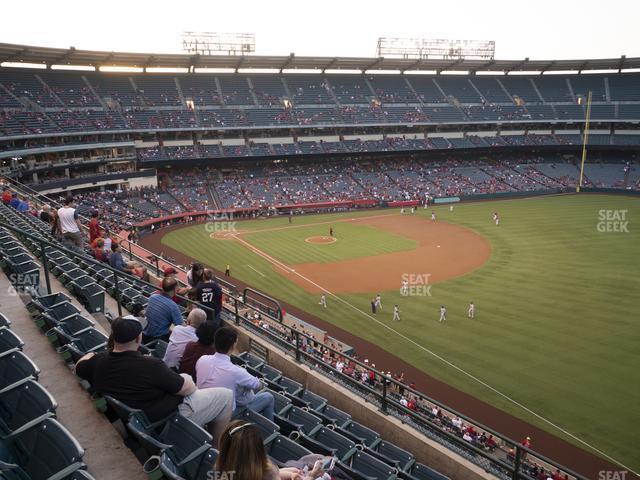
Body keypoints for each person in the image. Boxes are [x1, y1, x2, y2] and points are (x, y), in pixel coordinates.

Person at [75, 316, 232, 447]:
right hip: (165, 423)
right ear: (138, 337)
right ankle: (217, 451)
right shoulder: (150, 365)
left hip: (140, 422)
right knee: (226, 395)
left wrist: (95, 354)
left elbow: (79, 365)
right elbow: (188, 389)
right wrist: (187, 379)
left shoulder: (98, 362)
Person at [196, 326, 275, 421]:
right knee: (268, 396)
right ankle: (271, 431)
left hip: (202, 409)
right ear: (233, 346)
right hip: (225, 418)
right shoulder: (237, 371)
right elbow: (259, 385)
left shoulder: (202, 360)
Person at [215, 420, 326, 480]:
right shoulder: (266, 473)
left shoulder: (224, 471)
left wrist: (287, 474)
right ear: (258, 450)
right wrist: (311, 476)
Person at [143, 277, 184, 343]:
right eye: (177, 287)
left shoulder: (153, 297)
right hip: (157, 339)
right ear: (175, 289)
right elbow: (181, 327)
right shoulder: (172, 306)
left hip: (144, 334)